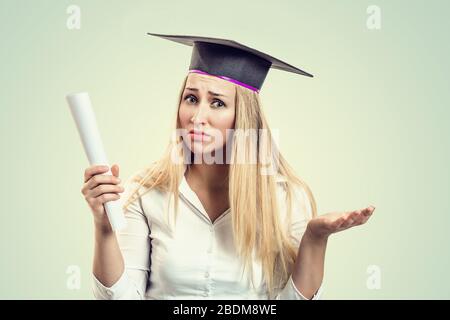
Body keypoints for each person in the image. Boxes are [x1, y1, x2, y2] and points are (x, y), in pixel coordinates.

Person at [80, 33, 376, 300]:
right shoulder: (146, 192)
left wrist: (315, 238)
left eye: (217, 104)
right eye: (191, 99)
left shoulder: (286, 198)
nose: (197, 117)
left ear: (243, 117)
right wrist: (104, 228)